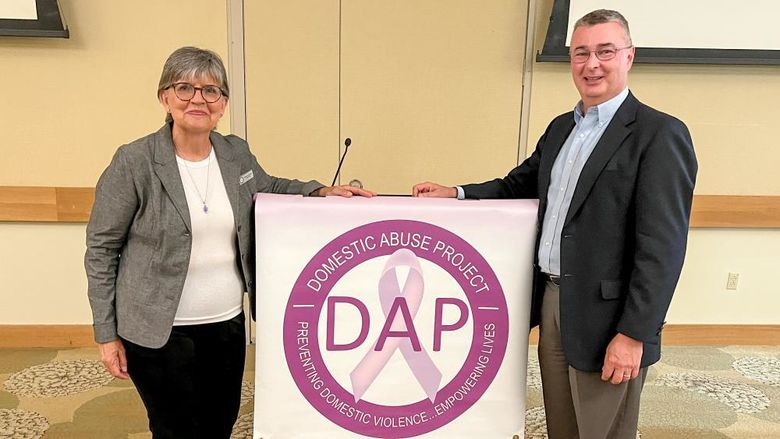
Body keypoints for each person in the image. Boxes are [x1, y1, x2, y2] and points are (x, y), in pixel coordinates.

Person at [413, 9, 697, 439]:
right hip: (552, 300)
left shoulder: (659, 134)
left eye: (605, 51)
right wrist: (457, 193)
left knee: (604, 430)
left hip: (609, 316)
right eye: (581, 53)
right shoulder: (564, 128)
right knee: (562, 425)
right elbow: (517, 185)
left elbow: (663, 247)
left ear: (629, 56)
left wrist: (634, 335)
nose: (592, 64)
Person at [85, 46, 374, 439]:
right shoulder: (134, 161)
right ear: (165, 98)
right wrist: (106, 333)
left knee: (220, 422)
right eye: (184, 88)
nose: (198, 99)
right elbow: (102, 249)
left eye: (211, 91)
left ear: (222, 104)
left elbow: (269, 187)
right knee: (176, 429)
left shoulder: (233, 152)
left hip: (226, 324)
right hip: (157, 331)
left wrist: (320, 191)